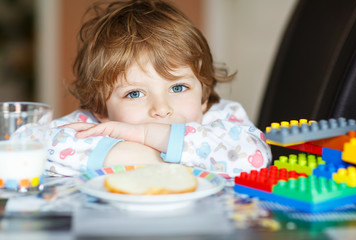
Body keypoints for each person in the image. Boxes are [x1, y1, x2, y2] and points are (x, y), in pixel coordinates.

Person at [47, 0, 272, 178]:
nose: (161, 108)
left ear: (203, 94)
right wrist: (152, 158)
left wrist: (145, 135)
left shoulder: (220, 117)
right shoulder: (98, 125)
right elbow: (32, 141)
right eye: (134, 93)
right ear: (101, 110)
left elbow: (257, 155)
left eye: (178, 87)